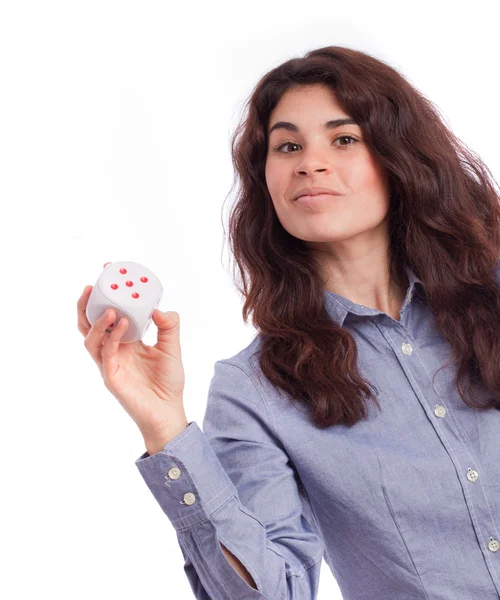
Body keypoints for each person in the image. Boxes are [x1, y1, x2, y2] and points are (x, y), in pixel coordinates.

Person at [76, 45, 500, 599]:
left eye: (343, 139)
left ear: (399, 157)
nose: (309, 162)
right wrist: (165, 429)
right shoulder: (254, 391)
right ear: (268, 180)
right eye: (288, 145)